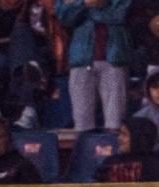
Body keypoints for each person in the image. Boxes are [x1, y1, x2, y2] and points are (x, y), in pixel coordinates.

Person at [56, 0, 132, 132]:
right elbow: (65, 18)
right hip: (81, 57)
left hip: (115, 57)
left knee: (116, 121)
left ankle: (114, 145)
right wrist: (85, 3)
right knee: (82, 121)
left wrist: (82, 7)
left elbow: (119, 14)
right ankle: (84, 145)